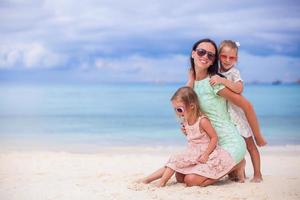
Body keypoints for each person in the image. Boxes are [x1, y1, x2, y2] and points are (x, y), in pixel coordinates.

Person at [183, 38, 263, 186]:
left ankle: (238, 164)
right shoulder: (192, 83)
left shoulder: (215, 82)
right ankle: (232, 167)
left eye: (210, 55)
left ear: (213, 60)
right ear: (193, 54)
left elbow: (247, 105)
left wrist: (257, 135)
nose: (205, 56)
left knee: (190, 180)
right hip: (213, 145)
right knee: (181, 176)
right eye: (201, 52)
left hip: (230, 142)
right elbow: (186, 103)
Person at [139, 86, 236, 187]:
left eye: (179, 109)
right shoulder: (186, 121)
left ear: (192, 106)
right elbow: (194, 138)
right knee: (179, 177)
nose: (178, 113)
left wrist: (206, 154)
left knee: (180, 166)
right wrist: (186, 133)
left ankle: (161, 182)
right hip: (193, 154)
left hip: (205, 153)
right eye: (175, 110)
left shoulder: (202, 121)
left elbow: (214, 138)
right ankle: (148, 179)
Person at [209, 40, 266, 182]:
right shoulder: (215, 72)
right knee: (234, 145)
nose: (228, 60)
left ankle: (258, 174)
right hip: (225, 117)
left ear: (236, 59)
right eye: (224, 56)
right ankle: (240, 172)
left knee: (250, 145)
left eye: (232, 57)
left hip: (237, 115)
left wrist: (223, 81)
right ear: (218, 56)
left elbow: (239, 89)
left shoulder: (234, 72)